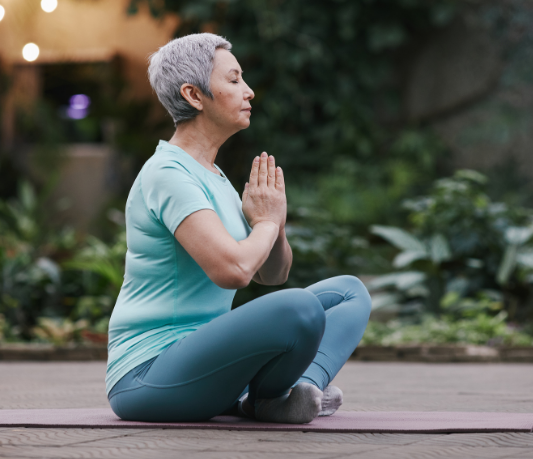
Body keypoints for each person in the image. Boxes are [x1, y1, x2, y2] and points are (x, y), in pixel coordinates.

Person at [106, 33, 371, 424]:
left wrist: (274, 223)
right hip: (148, 374)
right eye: (233, 80)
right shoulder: (167, 173)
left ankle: (290, 394)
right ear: (194, 96)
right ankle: (266, 399)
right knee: (299, 307)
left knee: (349, 292)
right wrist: (263, 222)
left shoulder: (214, 176)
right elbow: (233, 271)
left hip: (206, 366)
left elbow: (272, 273)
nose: (248, 92)